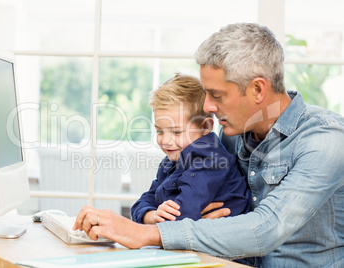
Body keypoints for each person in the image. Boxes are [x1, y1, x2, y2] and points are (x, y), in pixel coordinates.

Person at [74, 23, 344, 267]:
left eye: (217, 95)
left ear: (258, 90)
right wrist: (186, 224)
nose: (207, 107)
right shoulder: (232, 132)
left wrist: (147, 233)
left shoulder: (325, 141)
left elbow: (266, 228)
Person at [131, 73, 251, 224]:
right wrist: (152, 215)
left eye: (176, 132)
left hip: (223, 242)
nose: (166, 141)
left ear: (206, 126)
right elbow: (143, 202)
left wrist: (157, 218)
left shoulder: (211, 161)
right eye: (160, 131)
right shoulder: (171, 162)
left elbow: (180, 217)